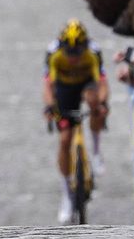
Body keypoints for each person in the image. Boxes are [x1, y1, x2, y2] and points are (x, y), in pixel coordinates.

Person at [42, 19, 108, 224]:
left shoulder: (93, 53)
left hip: (86, 84)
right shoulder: (53, 54)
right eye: (69, 54)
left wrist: (103, 104)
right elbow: (48, 85)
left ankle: (96, 153)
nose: (72, 59)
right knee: (64, 140)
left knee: (94, 102)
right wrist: (50, 107)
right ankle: (67, 195)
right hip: (64, 88)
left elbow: (102, 83)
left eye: (77, 54)